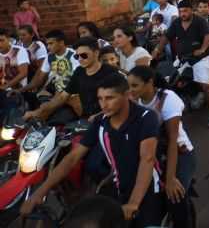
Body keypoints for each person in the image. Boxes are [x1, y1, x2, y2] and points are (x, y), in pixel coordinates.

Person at [20, 73, 164, 227]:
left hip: (148, 191)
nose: (103, 105)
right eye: (100, 98)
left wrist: (134, 203)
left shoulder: (146, 117)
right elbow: (72, 158)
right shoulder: (101, 122)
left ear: (126, 95)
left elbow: (147, 159)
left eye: (110, 98)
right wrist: (38, 194)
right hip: (118, 187)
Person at [128, 66, 195, 228]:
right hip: (150, 155)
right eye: (128, 86)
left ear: (149, 82)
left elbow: (173, 140)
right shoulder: (133, 101)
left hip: (179, 153)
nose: (130, 90)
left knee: (175, 197)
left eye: (135, 86)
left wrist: (170, 179)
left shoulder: (168, 99)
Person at [152, 0, 209, 128]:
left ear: (191, 10)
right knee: (171, 82)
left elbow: (208, 36)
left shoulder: (200, 21)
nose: (183, 14)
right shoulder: (176, 23)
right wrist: (156, 51)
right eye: (181, 11)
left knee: (205, 85)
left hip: (200, 59)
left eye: (185, 11)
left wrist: (203, 49)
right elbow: (166, 37)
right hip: (183, 58)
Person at [24, 37, 115, 123]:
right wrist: (38, 112)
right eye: (77, 56)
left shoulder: (110, 73)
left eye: (84, 55)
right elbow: (63, 97)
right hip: (86, 120)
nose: (80, 59)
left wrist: (98, 116)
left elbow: (121, 101)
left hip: (108, 120)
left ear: (96, 53)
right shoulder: (79, 72)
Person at [20, 29, 79, 102]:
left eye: (51, 43)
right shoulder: (50, 56)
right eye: (47, 44)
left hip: (69, 93)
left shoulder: (73, 55)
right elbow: (39, 79)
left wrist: (61, 94)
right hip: (53, 91)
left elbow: (76, 79)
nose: (48, 47)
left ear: (61, 43)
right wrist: (21, 90)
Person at [0, 28, 29, 119]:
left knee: (9, 115)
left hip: (16, 91)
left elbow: (23, 73)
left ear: (9, 39)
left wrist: (4, 87)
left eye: (1, 40)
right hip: (2, 90)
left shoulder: (19, 51)